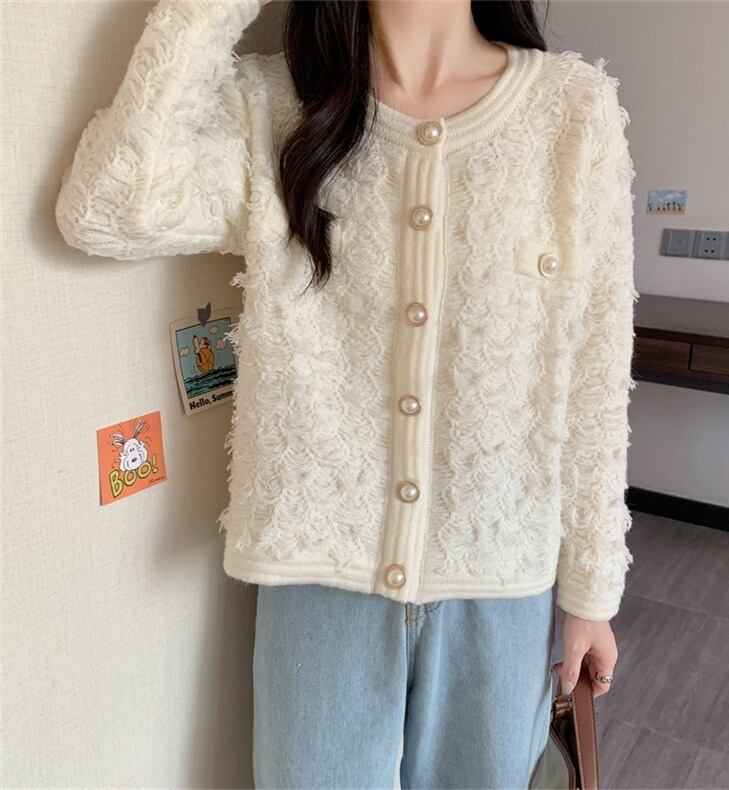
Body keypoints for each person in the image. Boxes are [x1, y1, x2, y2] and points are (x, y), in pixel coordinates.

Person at [55, 0, 638, 787]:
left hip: (502, 580)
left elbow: (598, 367)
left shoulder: (570, 112)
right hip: (313, 575)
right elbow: (104, 211)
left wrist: (592, 591)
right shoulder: (276, 105)